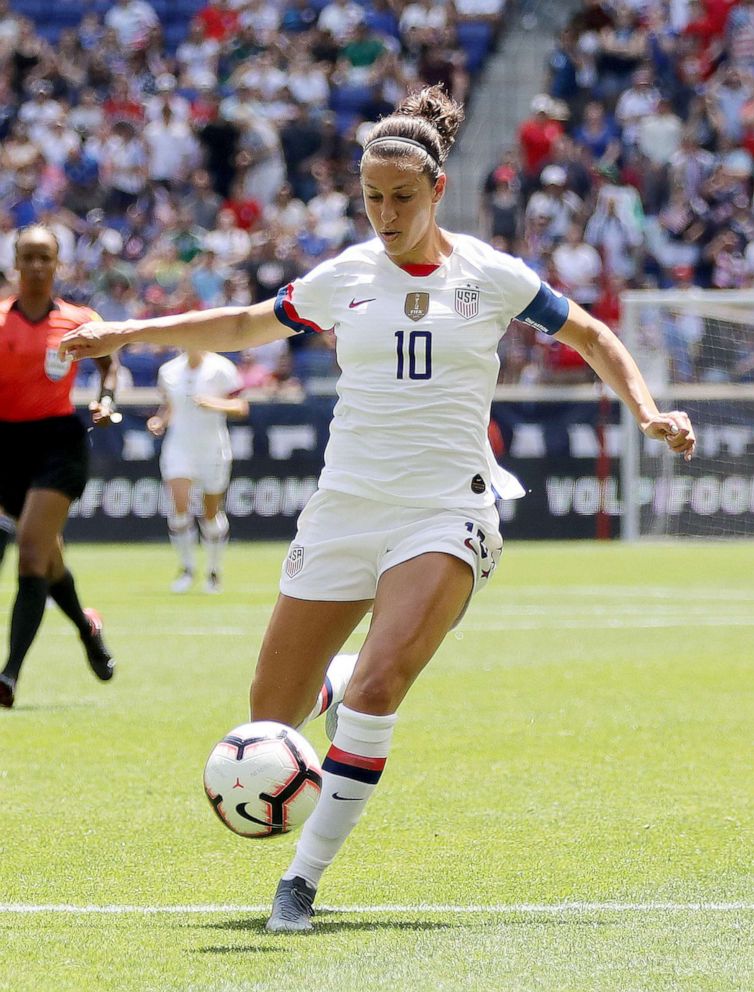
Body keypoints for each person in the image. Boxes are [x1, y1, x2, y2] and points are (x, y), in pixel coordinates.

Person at [59, 85, 695, 932]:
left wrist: (646, 407)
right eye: (372, 199)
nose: (386, 215)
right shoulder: (343, 277)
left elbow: (590, 335)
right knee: (268, 717)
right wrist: (129, 334)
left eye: (401, 198)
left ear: (437, 192)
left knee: (382, 682)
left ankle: (302, 880)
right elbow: (249, 325)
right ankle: (331, 682)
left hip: (447, 509)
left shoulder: (493, 275)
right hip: (344, 510)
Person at [0, 225, 118, 709]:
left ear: (57, 264)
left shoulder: (78, 320)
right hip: (7, 447)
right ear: (14, 262)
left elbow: (108, 363)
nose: (35, 266)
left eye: (44, 257)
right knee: (49, 559)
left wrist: (105, 398)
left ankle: (8, 677)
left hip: (58, 444)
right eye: (27, 257)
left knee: (30, 552)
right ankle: (87, 629)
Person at [147, 350, 248, 594]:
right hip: (178, 446)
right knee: (179, 505)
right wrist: (160, 421)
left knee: (210, 514)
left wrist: (213, 403)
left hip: (212, 448)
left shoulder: (222, 368)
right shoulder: (169, 370)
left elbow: (241, 407)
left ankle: (213, 571)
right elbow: (170, 406)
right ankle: (187, 568)